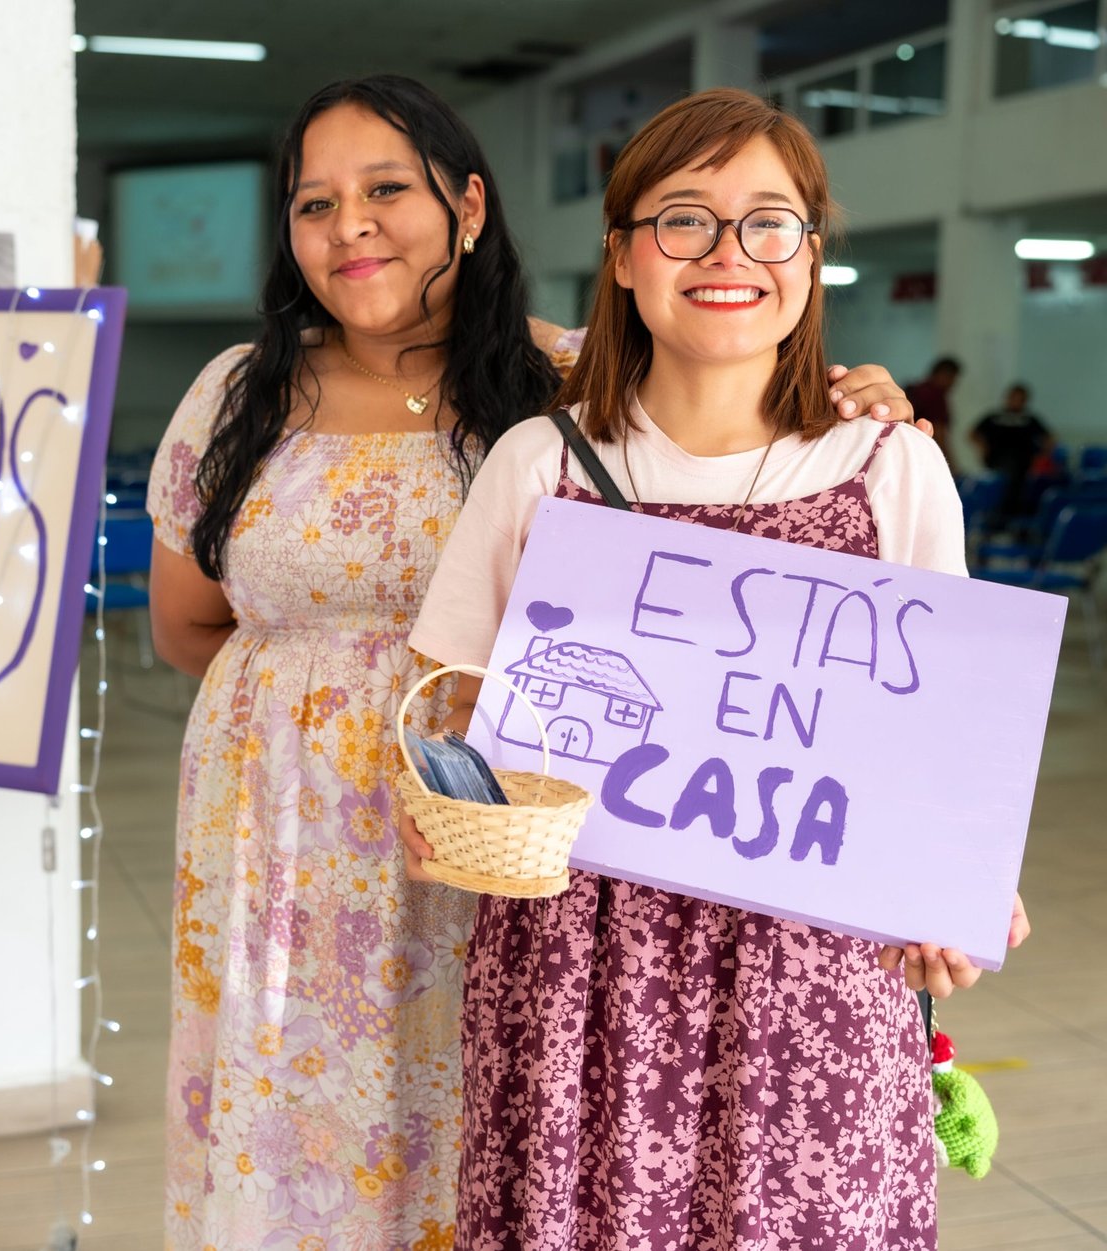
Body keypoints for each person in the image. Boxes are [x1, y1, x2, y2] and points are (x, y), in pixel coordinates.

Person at [147, 75, 918, 1250]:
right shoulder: (236, 395)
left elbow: (724, 405)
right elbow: (187, 627)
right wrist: (295, 713)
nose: (349, 223)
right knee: (294, 1128)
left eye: (386, 189)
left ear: (466, 205)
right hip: (287, 835)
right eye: (316, 202)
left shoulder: (559, 387)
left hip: (518, 840)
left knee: (501, 1130)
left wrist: (863, 397)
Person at [404, 89, 1028, 1250]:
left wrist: (962, 883)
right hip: (583, 963)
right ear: (623, 256)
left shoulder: (890, 469)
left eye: (769, 222)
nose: (728, 253)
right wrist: (442, 811)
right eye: (683, 219)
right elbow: (456, 717)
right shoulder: (542, 466)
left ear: (809, 255)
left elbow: (940, 742)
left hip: (816, 964)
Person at [972, 382, 1053, 523]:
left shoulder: (1029, 419)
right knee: (998, 492)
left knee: (1019, 493)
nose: (1015, 401)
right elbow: (973, 434)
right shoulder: (994, 417)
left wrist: (1040, 458)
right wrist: (983, 449)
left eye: (1020, 398)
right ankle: (995, 522)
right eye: (1013, 397)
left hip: (1023, 466)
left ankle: (1012, 524)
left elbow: (1049, 439)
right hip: (997, 463)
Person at [905, 355, 961, 471]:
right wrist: (950, 465)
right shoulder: (935, 396)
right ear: (944, 375)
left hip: (903, 450)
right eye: (952, 379)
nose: (953, 384)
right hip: (922, 455)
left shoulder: (914, 390)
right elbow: (939, 433)